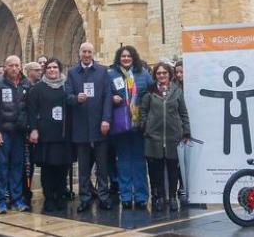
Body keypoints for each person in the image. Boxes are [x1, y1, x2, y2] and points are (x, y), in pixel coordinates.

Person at [138, 61, 189, 212]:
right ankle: (158, 197)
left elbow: (183, 113)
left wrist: (186, 130)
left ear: (169, 74)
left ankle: (172, 197)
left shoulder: (177, 91)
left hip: (173, 136)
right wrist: (145, 126)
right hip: (154, 137)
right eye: (159, 73)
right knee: (155, 170)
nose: (161, 76)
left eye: (164, 73)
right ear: (155, 75)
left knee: (173, 168)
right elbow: (143, 111)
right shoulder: (149, 91)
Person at [67, 42, 112, 212]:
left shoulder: (102, 71)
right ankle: (85, 197)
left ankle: (103, 197)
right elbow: (67, 96)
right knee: (84, 166)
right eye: (84, 52)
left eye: (89, 52)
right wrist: (75, 98)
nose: (86, 55)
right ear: (79, 53)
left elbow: (108, 96)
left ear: (93, 54)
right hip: (81, 126)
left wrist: (106, 119)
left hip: (100, 125)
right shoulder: (72, 72)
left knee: (102, 166)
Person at [108, 45, 152, 209]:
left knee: (139, 161)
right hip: (120, 124)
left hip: (138, 124)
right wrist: (113, 98)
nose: (126, 59)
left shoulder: (143, 74)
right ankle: (125, 195)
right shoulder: (112, 75)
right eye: (123, 56)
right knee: (123, 161)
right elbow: (106, 95)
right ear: (119, 58)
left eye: (129, 56)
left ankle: (141, 196)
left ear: (134, 58)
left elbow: (151, 93)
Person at [27, 59, 72, 213]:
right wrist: (33, 129)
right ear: (45, 70)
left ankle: (60, 195)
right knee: (47, 168)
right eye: (49, 67)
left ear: (60, 69)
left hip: (63, 134)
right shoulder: (38, 88)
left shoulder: (67, 86)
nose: (52, 70)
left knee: (62, 168)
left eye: (55, 67)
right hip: (45, 134)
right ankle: (49, 198)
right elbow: (32, 111)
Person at [0, 56, 29, 213]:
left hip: (19, 132)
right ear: (5, 67)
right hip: (3, 132)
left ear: (20, 67)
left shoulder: (25, 84)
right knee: (2, 167)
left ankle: (17, 199)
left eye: (17, 65)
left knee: (17, 166)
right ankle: (0, 201)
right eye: (11, 65)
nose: (14, 68)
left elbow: (27, 108)